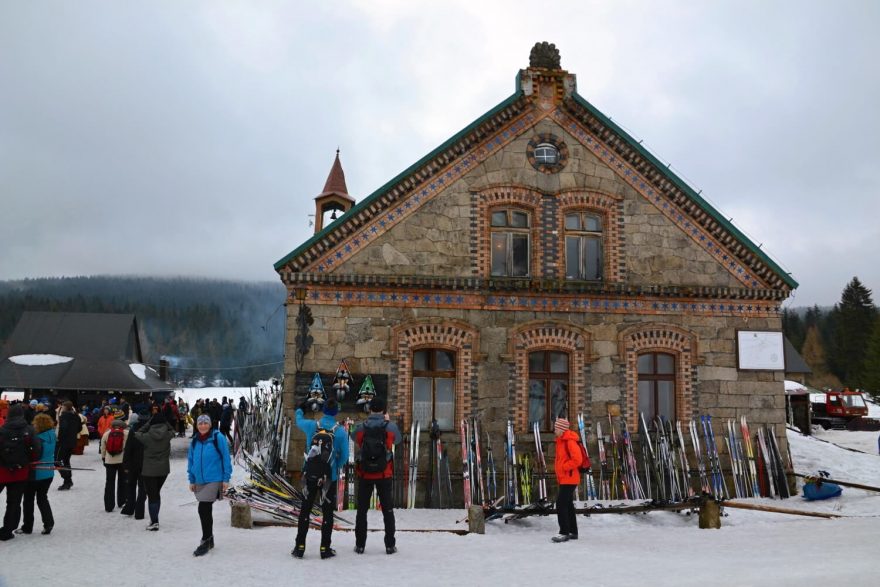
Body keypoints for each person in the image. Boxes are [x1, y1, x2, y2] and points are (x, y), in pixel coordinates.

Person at [292, 397, 348, 560]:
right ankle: (325, 548)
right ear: (336, 412)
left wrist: (300, 409)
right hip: (328, 478)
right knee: (327, 513)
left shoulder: (312, 426)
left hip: (309, 475)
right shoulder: (340, 432)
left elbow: (298, 421)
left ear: (323, 410)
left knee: (305, 510)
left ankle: (299, 547)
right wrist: (333, 467)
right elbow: (344, 456)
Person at [353, 396, 401, 554]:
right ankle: (390, 545)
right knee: (387, 510)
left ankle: (360, 545)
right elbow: (398, 440)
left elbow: (354, 437)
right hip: (384, 473)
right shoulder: (390, 427)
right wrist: (388, 421)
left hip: (365, 473)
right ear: (384, 409)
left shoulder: (361, 427)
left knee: (362, 511)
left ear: (370, 409)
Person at [187, 414, 232, 557]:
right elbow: (191, 460)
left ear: (210, 425)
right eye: (200, 423)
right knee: (205, 509)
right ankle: (210, 539)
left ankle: (205, 540)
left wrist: (226, 478)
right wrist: (192, 479)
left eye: (205, 423)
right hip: (199, 480)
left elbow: (226, 458)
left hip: (214, 478)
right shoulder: (195, 440)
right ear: (197, 425)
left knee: (203, 508)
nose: (203, 426)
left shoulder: (217, 437)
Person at [0, 404, 41, 541]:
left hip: (2, 470)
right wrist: (30, 460)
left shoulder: (2, 430)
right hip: (21, 471)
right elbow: (37, 450)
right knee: (14, 502)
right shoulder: (29, 430)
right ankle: (7, 531)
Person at [135, 409, 175, 531]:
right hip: (163, 470)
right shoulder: (168, 435)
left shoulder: (146, 436)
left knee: (152, 495)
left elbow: (137, 432)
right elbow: (173, 430)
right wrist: (165, 422)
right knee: (156, 493)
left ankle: (154, 521)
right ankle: (154, 519)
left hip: (149, 470)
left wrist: (149, 423)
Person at [19, 412, 56, 535]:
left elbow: (35, 456)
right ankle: (49, 523)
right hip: (48, 472)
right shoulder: (52, 435)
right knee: (42, 498)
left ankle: (27, 526)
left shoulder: (38, 438)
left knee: (28, 500)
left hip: (36, 473)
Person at [551, 417, 582, 543]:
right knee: (568, 505)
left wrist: (564, 467)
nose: (554, 430)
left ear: (562, 429)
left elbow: (577, 459)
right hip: (565, 478)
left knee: (561, 504)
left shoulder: (569, 441)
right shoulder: (561, 441)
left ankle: (564, 532)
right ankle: (573, 532)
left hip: (570, 478)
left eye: (556, 428)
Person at [120, 413, 147, 519]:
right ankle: (139, 512)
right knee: (142, 489)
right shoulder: (148, 432)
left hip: (132, 464)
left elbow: (128, 449)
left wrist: (125, 464)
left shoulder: (133, 431)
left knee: (131, 486)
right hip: (144, 464)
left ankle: (129, 508)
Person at [100, 419, 129, 512]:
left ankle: (109, 506)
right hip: (122, 461)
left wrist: (104, 458)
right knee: (122, 481)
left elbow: (103, 447)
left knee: (109, 483)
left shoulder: (107, 434)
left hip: (109, 461)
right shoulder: (126, 433)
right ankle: (121, 501)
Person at [56, 401, 80, 490]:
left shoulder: (64, 416)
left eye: (62, 407)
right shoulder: (76, 416)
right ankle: (68, 481)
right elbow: (79, 428)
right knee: (66, 461)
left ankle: (67, 480)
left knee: (57, 461)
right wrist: (72, 434)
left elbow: (63, 429)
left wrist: (59, 439)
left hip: (63, 442)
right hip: (72, 442)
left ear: (65, 407)